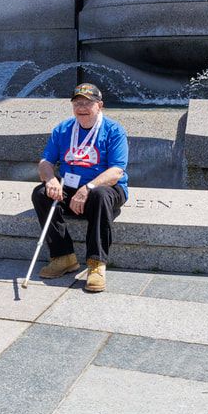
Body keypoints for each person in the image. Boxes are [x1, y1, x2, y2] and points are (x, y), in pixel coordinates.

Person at [31, 83, 129, 293]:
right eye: (77, 103)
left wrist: (88, 188)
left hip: (105, 188)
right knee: (40, 193)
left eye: (87, 103)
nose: (82, 108)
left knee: (100, 195)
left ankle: (96, 264)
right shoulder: (63, 129)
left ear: (99, 105)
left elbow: (116, 172)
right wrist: (50, 179)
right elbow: (45, 162)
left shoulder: (114, 130)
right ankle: (63, 256)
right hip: (70, 186)